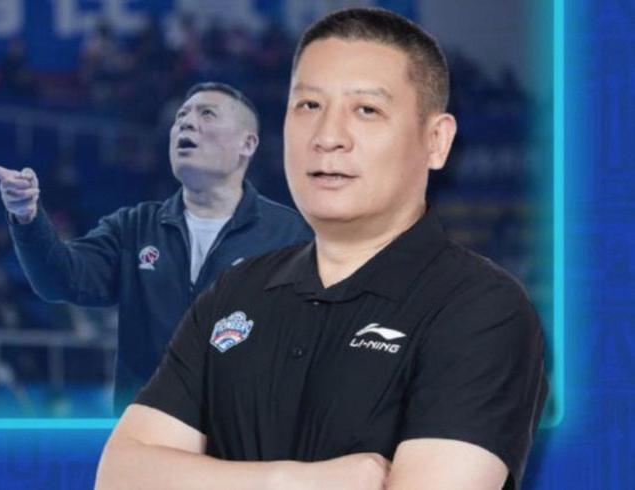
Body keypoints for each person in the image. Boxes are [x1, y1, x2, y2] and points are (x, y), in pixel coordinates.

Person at [95, 8, 547, 490]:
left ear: (436, 141)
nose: (328, 137)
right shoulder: (235, 294)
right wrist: (295, 481)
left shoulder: (480, 308)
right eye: (308, 105)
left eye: (366, 110)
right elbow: (120, 476)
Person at [0, 82, 313, 412]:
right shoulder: (134, 228)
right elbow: (59, 281)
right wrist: (26, 216)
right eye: (181, 116)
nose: (186, 122)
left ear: (247, 144)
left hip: (245, 433)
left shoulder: (289, 234)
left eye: (207, 114)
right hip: (146, 431)